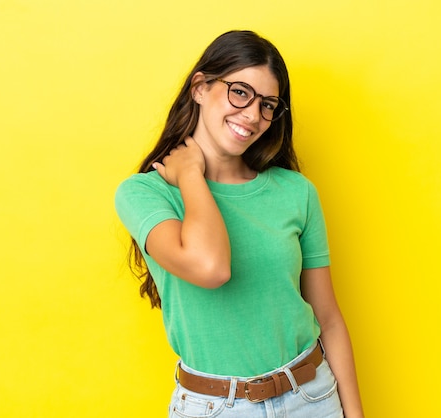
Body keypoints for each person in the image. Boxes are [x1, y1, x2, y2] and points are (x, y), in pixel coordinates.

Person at [115, 30, 365, 417]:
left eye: (268, 105)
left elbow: (328, 319)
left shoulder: (295, 192)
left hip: (312, 397)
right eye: (241, 92)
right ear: (200, 87)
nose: (252, 116)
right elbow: (211, 268)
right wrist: (191, 176)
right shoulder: (145, 194)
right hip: (215, 407)